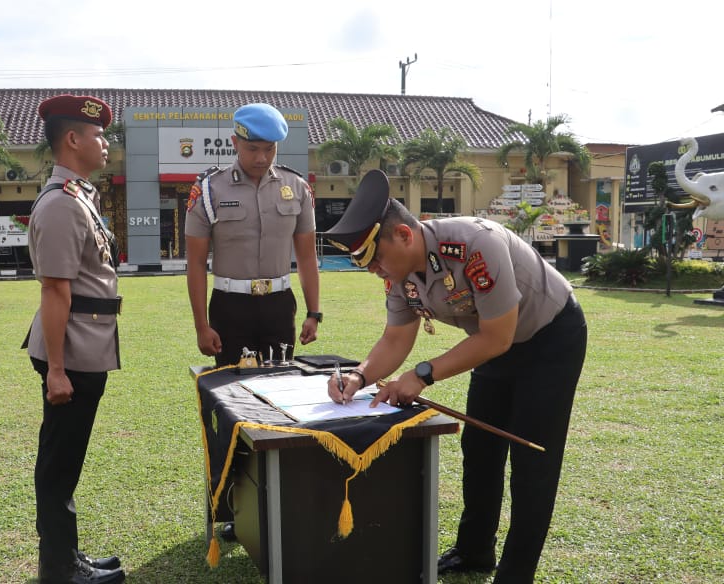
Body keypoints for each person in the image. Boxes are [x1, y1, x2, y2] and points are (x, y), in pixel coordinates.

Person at [322, 170, 587, 583]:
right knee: (480, 449)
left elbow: (497, 336)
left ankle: (516, 575)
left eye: (375, 259)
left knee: (532, 461)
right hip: (492, 344)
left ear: (405, 236)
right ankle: (474, 551)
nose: (375, 271)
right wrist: (358, 376)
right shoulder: (400, 273)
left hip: (549, 338)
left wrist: (422, 375)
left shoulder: (475, 244)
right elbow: (395, 339)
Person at [22, 94, 125, 584]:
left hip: (87, 344)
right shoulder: (63, 205)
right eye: (98, 135)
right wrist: (57, 370)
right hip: (72, 351)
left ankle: (68, 556)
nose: (105, 143)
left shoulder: (79, 196)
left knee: (66, 460)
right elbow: (56, 291)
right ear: (72, 139)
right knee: (59, 463)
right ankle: (59, 568)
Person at [185, 102, 322, 367]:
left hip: (279, 306)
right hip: (230, 307)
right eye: (252, 149)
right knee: (231, 393)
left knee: (279, 387)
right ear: (235, 142)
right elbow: (196, 263)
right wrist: (201, 326)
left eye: (269, 149)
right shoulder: (209, 190)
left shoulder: (297, 187)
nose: (262, 158)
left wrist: (314, 312)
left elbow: (307, 257)